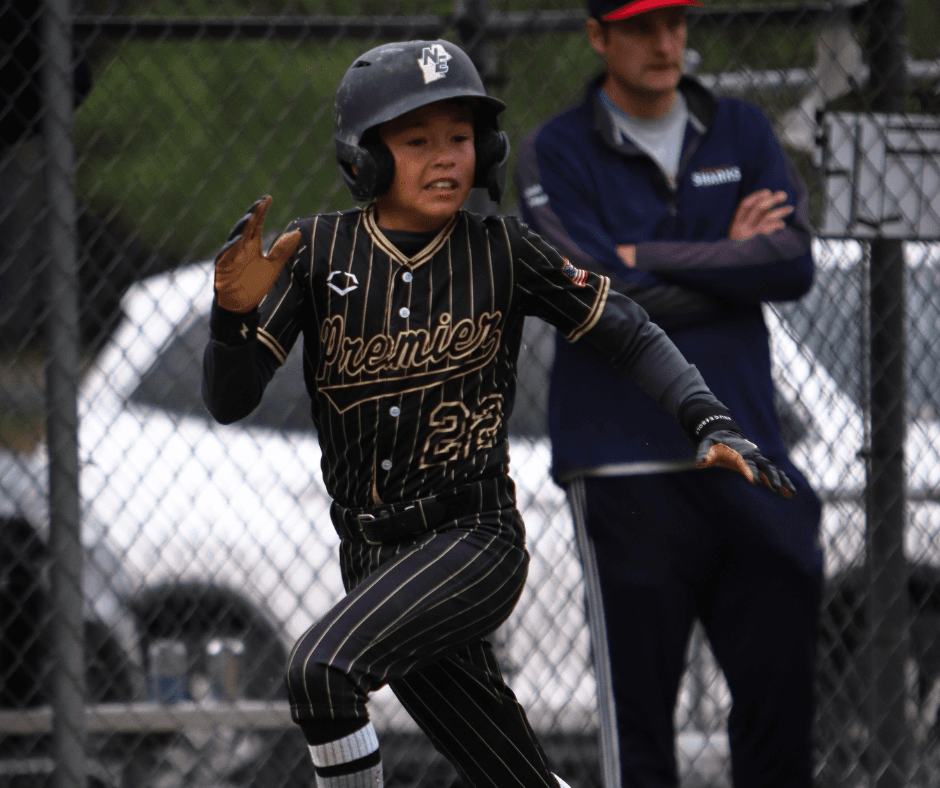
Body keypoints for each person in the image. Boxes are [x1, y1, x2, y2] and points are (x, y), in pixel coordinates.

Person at [202, 38, 793, 788]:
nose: (445, 158)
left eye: (459, 137)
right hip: (372, 556)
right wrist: (230, 316)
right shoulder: (318, 252)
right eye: (417, 141)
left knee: (322, 671)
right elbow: (230, 400)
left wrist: (707, 417)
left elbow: (627, 330)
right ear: (366, 159)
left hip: (474, 539)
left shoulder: (503, 250)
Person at [514, 2, 824, 787]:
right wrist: (728, 257)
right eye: (641, 27)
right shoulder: (555, 150)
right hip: (625, 467)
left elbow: (791, 263)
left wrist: (642, 254)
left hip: (747, 459)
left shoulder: (741, 129)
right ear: (598, 35)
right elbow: (584, 293)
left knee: (781, 712)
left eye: (675, 23)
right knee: (640, 728)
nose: (665, 44)